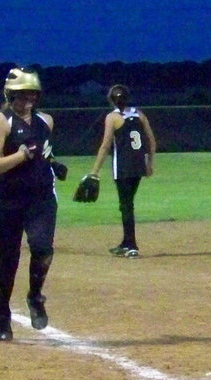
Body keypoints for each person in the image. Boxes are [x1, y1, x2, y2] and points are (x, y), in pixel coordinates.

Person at [0, 67, 61, 341]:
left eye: (32, 94)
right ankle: (3, 315)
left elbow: (43, 153)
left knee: (42, 248)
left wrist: (54, 164)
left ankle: (35, 296)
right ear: (10, 95)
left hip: (41, 198)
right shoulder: (0, 123)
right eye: (22, 94)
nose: (28, 99)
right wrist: (20, 156)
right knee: (8, 261)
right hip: (7, 200)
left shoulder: (46, 121)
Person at [88, 84, 157, 258]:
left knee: (126, 205)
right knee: (126, 203)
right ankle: (126, 242)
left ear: (111, 100)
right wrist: (149, 163)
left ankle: (132, 246)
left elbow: (105, 146)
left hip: (123, 167)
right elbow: (151, 140)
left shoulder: (112, 117)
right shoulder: (139, 114)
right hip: (139, 165)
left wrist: (95, 171)